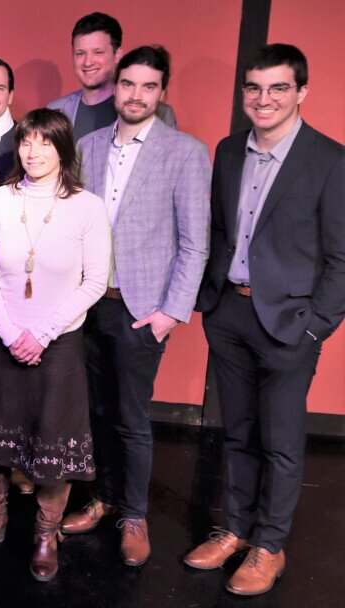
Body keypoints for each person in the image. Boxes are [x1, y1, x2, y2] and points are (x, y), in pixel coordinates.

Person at [187, 43, 345, 596]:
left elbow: (342, 258)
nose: (264, 98)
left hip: (290, 323)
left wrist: (316, 326)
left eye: (279, 87)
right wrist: (210, 302)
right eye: (254, 87)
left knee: (280, 441)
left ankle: (270, 546)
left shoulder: (330, 160)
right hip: (229, 311)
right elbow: (219, 229)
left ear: (302, 92)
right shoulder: (230, 150)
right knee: (237, 432)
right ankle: (236, 528)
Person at [62, 46, 211, 567]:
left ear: (162, 92)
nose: (136, 94)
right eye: (128, 84)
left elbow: (195, 243)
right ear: (115, 86)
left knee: (131, 417)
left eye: (149, 86)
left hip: (141, 311)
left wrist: (170, 313)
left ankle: (134, 514)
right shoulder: (88, 146)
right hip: (88, 307)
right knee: (96, 412)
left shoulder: (185, 152)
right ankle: (103, 498)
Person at [0, 108, 111, 582]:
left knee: (52, 445)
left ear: (63, 149)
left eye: (45, 142)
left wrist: (41, 334)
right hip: (0, 341)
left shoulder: (87, 207)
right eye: (26, 141)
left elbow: (95, 281)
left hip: (57, 346)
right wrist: (10, 333)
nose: (34, 151)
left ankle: (46, 533)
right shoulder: (0, 200)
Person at [46, 12, 176, 141]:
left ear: (117, 54)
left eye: (98, 52)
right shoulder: (56, 110)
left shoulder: (159, 113)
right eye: (80, 53)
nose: (88, 62)